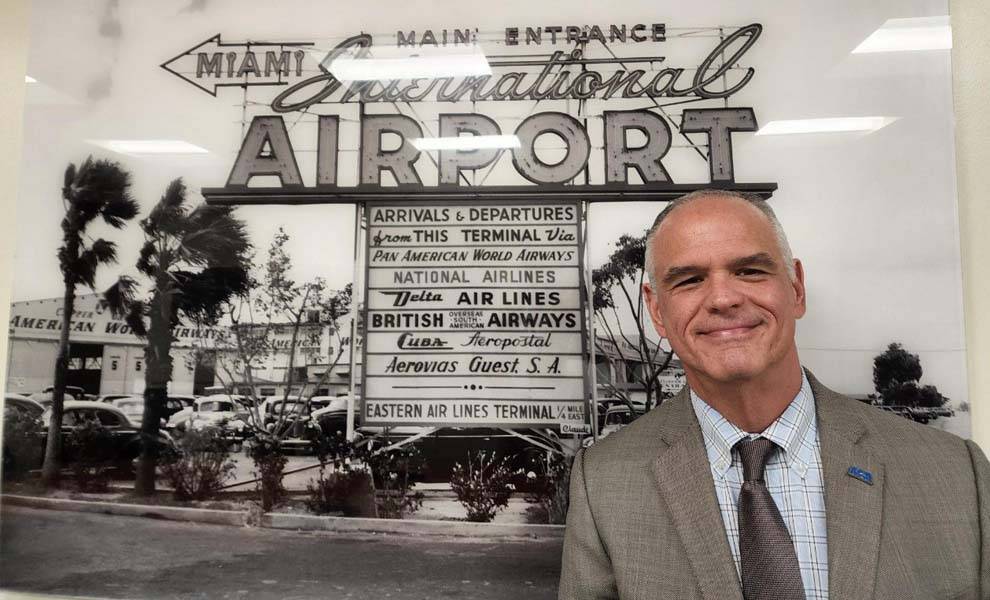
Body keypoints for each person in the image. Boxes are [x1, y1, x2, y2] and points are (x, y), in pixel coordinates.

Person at [559, 189, 990, 600]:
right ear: (657, 310)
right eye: (689, 280)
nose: (723, 298)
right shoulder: (604, 485)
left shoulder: (956, 473)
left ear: (796, 287)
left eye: (749, 270)